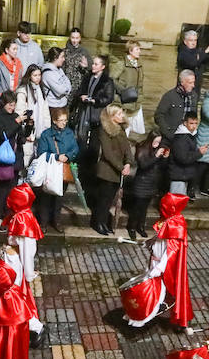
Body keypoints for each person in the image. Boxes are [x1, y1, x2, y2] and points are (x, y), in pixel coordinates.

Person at [125, 193, 190, 329]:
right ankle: (141, 312)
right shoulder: (167, 220)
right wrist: (149, 243)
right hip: (155, 262)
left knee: (156, 292)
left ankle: (144, 315)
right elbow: (160, 238)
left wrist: (160, 268)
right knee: (152, 289)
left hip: (161, 266)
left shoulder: (176, 225)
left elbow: (171, 251)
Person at [3, 183, 47, 347]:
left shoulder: (23, 220)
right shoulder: (21, 216)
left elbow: (27, 252)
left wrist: (28, 274)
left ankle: (34, 327)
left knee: (17, 298)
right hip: (13, 263)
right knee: (17, 298)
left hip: (16, 266)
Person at [34, 106, 79, 232]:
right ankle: (43, 222)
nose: (64, 123)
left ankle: (57, 221)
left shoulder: (69, 133)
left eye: (65, 120)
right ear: (54, 120)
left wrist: (68, 156)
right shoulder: (46, 135)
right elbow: (42, 153)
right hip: (50, 170)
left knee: (59, 198)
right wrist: (57, 157)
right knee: (46, 197)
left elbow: (75, 149)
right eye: (61, 120)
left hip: (63, 170)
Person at [91, 105, 134, 235]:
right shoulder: (104, 131)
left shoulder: (120, 129)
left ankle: (104, 222)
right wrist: (121, 167)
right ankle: (99, 222)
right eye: (119, 114)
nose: (122, 116)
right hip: (107, 171)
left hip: (117, 171)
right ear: (112, 116)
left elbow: (127, 148)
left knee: (109, 200)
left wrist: (128, 163)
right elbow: (108, 153)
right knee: (103, 200)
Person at [0, 91, 26, 229]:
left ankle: (7, 215)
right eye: (10, 105)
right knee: (2, 189)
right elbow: (3, 134)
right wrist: (16, 122)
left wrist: (27, 127)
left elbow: (21, 137)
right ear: (4, 103)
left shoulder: (16, 116)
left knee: (12, 189)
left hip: (16, 158)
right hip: (4, 158)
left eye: (14, 105)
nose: (12, 108)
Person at [127, 130, 168, 237]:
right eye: (155, 142)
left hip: (152, 184)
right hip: (142, 183)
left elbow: (162, 167)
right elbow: (144, 165)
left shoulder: (158, 150)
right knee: (137, 207)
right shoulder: (141, 149)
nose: (157, 144)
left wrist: (164, 158)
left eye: (159, 142)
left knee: (144, 208)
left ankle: (140, 226)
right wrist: (156, 156)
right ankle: (131, 227)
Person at [72, 55, 115, 148]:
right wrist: (81, 96)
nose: (93, 66)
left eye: (96, 64)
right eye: (93, 64)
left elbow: (109, 98)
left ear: (102, 67)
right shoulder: (88, 77)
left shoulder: (107, 81)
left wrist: (95, 100)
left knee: (94, 140)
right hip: (84, 111)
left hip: (96, 114)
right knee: (80, 136)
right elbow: (80, 90)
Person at [166, 111, 205, 198]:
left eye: (196, 123)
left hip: (183, 174)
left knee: (179, 201)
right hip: (178, 175)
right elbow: (183, 158)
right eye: (191, 123)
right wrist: (199, 153)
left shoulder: (191, 135)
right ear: (185, 123)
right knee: (175, 201)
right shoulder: (181, 138)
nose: (194, 126)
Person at [154, 70, 198, 140]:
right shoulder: (169, 96)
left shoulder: (194, 96)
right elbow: (158, 116)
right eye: (190, 83)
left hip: (188, 135)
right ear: (182, 82)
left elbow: (194, 116)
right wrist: (167, 132)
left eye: (193, 82)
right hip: (171, 135)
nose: (193, 85)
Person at [15, 64, 52, 148]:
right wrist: (25, 131)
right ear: (29, 76)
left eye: (39, 75)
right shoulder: (23, 91)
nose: (38, 77)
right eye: (35, 75)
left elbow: (45, 112)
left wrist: (47, 129)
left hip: (40, 129)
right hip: (27, 129)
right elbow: (20, 111)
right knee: (27, 153)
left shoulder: (41, 90)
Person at [0, 40, 23, 108]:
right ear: (7, 50)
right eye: (14, 49)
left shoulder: (18, 64)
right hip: (3, 100)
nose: (16, 51)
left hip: (14, 99)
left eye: (17, 49)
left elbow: (19, 82)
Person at [40, 47, 72, 117]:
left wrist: (66, 89)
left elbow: (68, 83)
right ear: (55, 58)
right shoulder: (48, 73)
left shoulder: (59, 70)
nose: (64, 59)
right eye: (62, 57)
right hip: (53, 107)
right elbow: (60, 91)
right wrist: (66, 89)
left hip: (62, 105)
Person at [61, 28, 91, 95]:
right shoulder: (64, 51)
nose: (75, 40)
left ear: (80, 38)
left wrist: (86, 66)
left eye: (77, 38)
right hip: (65, 84)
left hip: (78, 86)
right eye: (73, 38)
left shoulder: (84, 52)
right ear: (69, 38)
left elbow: (90, 69)